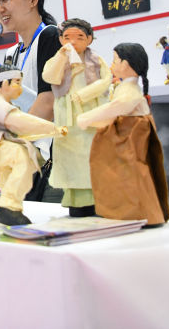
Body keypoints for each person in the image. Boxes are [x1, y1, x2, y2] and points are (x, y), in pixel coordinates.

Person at [77, 43, 169, 226]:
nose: (112, 65)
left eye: (115, 61)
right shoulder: (126, 87)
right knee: (123, 175)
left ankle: (141, 213)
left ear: (126, 65)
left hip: (130, 137)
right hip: (125, 134)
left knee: (132, 173)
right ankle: (130, 212)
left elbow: (115, 107)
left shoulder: (130, 91)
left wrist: (86, 118)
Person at [0, 61, 67, 225]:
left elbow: (24, 129)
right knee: (23, 159)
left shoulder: (5, 105)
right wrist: (54, 128)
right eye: (17, 83)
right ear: (4, 84)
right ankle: (8, 207)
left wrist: (52, 131)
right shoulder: (1, 106)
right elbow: (24, 123)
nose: (21, 88)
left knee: (10, 182)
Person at [41, 18, 112, 217]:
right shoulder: (58, 59)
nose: (73, 41)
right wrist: (62, 57)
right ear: (61, 40)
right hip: (66, 118)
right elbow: (50, 77)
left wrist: (85, 94)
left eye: (80, 37)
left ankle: (95, 201)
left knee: (90, 158)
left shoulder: (96, 60)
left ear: (89, 39)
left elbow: (106, 81)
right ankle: (75, 201)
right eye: (67, 37)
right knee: (69, 162)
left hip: (90, 117)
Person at [0, 0, 61, 120]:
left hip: (49, 133)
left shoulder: (50, 36)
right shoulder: (11, 53)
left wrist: (17, 133)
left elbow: (48, 103)